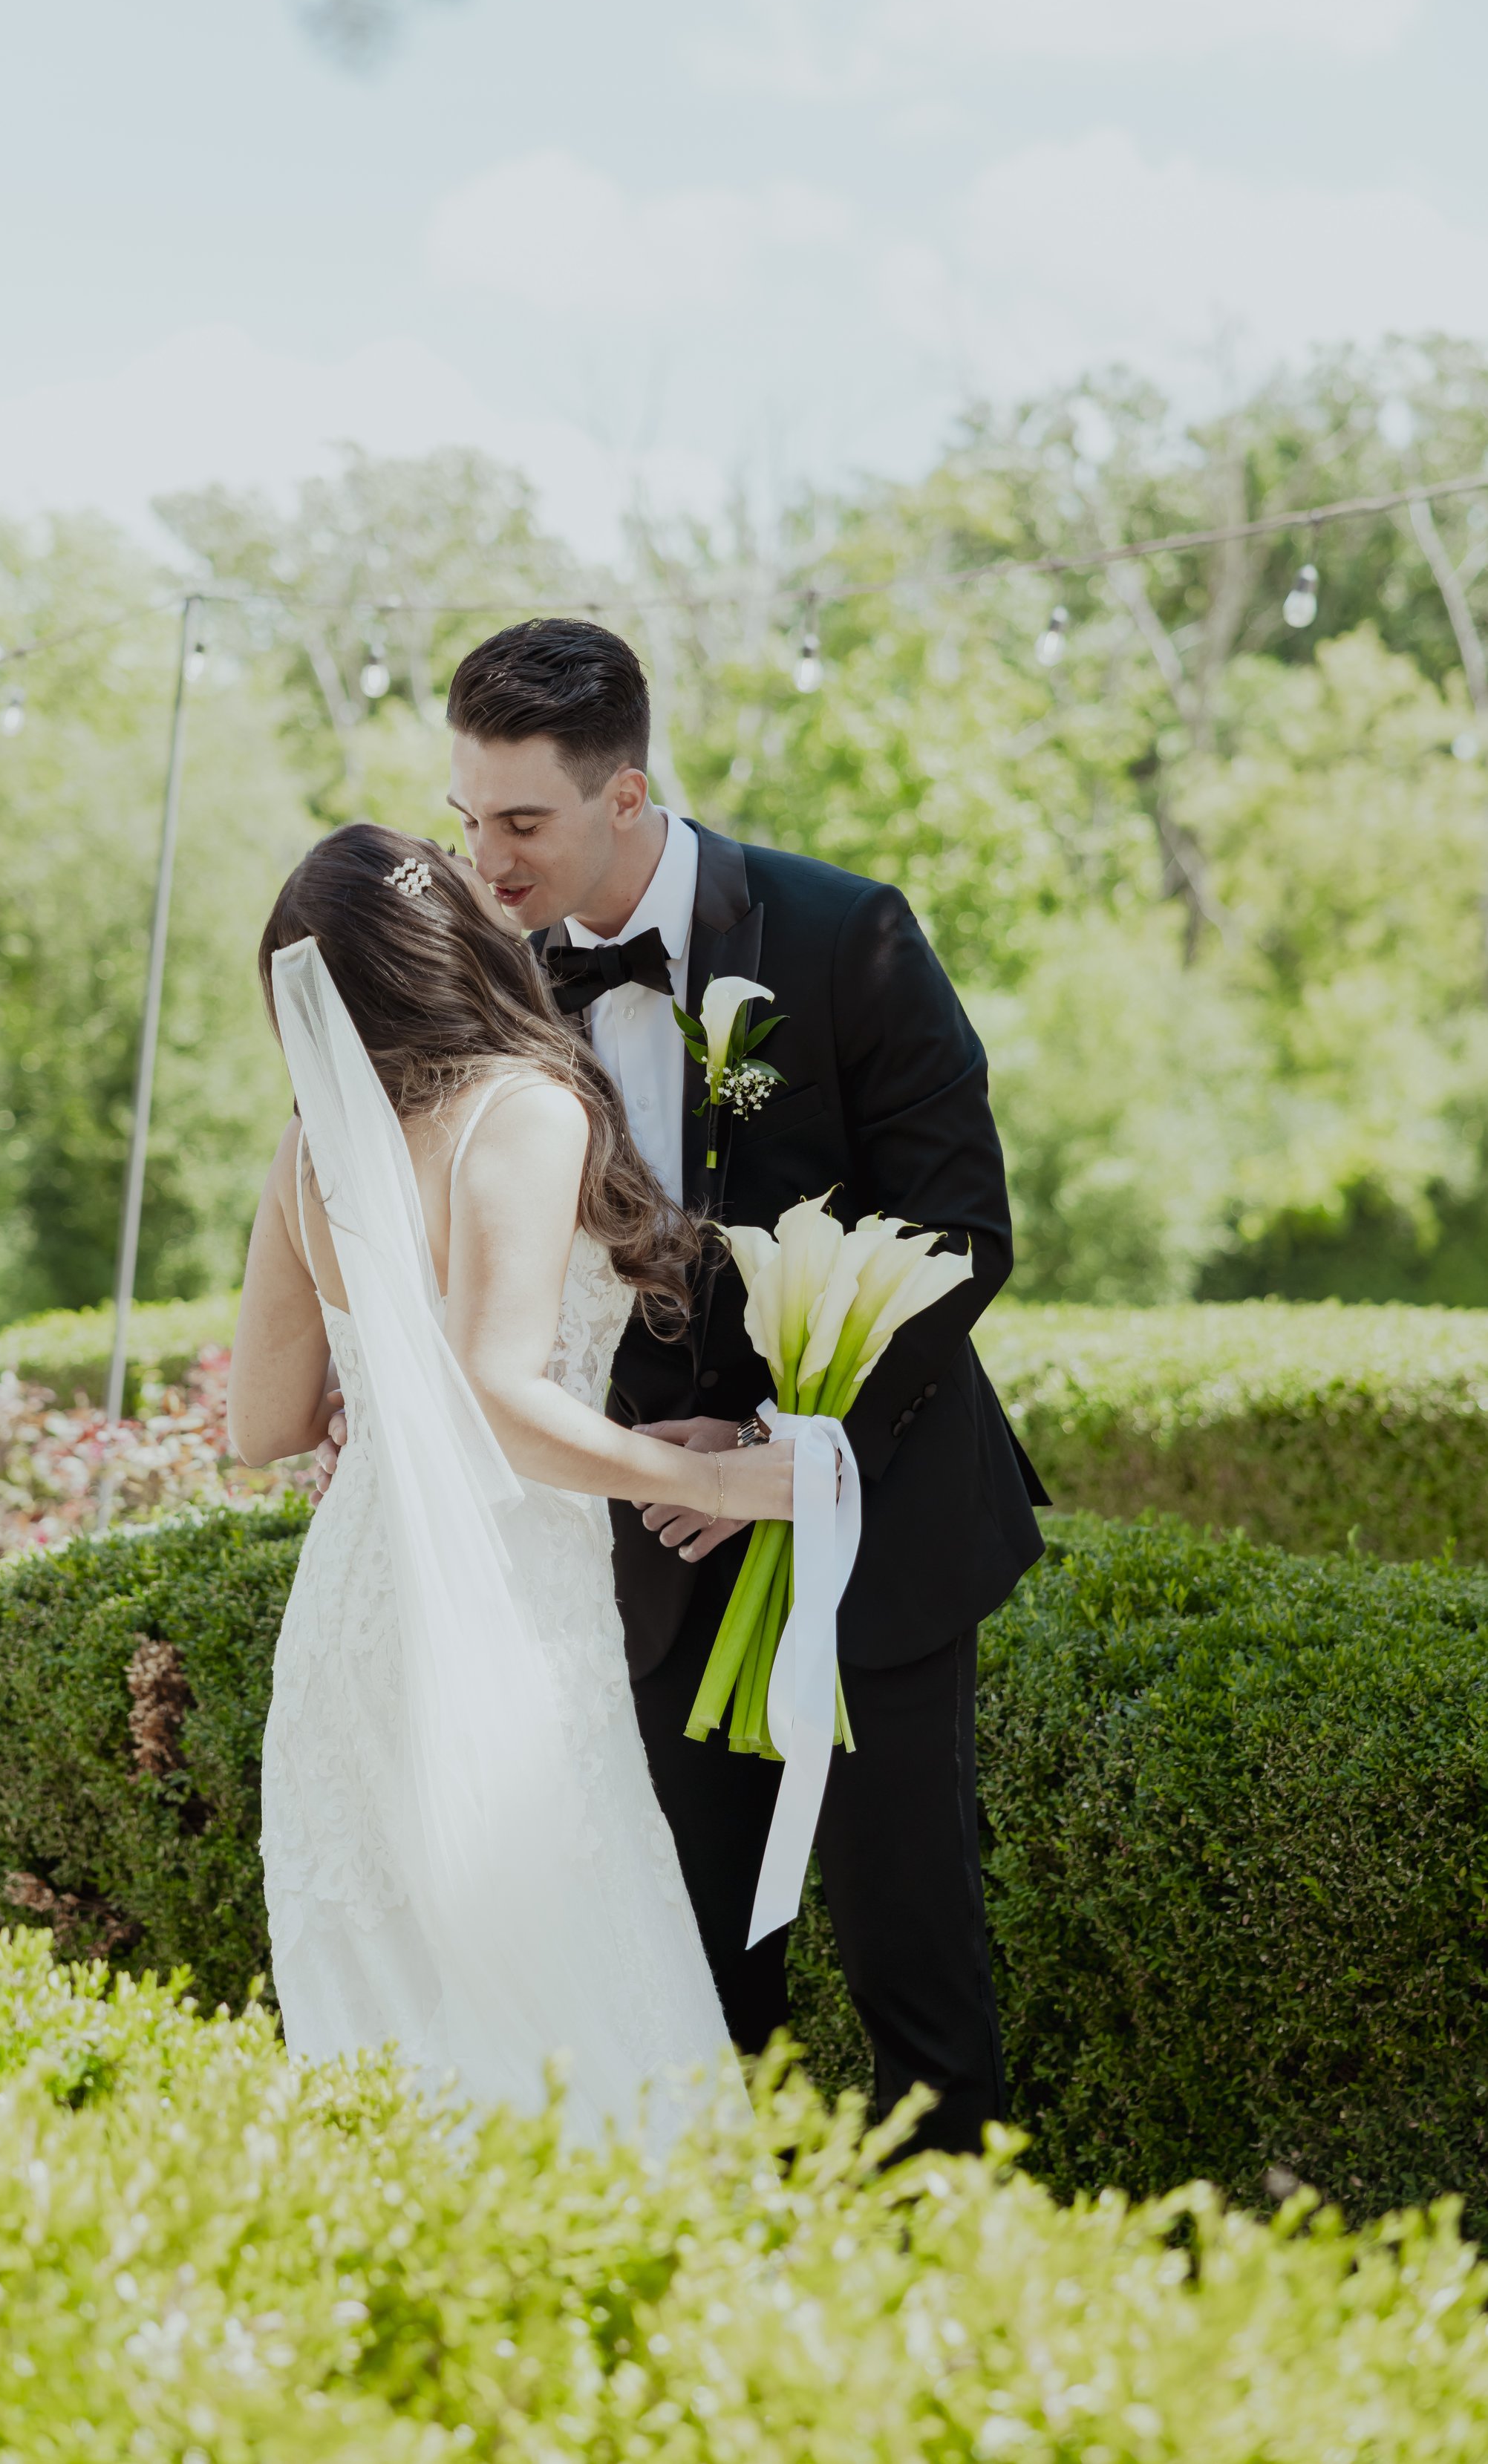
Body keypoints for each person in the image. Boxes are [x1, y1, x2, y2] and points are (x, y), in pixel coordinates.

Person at [322, 616, 1048, 2155]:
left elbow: (958, 1234)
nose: (491, 860)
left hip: (873, 1528)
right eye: (469, 818)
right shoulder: (487, 985)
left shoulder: (842, 934)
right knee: (691, 1984)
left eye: (523, 821)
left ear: (627, 795)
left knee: (916, 1968)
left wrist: (784, 1438)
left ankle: (964, 2324)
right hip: (637, 1563)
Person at [228, 822, 792, 2138]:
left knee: (397, 2014)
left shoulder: (309, 1151)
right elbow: (498, 1398)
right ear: (459, 942)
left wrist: (385, 1386)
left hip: (354, 1620)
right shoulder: (524, 1110)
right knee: (576, 1986)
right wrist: (713, 1487)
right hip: (503, 1606)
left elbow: (262, 1425)